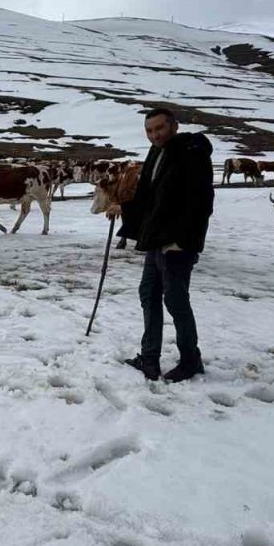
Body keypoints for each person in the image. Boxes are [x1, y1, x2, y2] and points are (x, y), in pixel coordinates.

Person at [105, 107, 214, 382]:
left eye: (159, 128)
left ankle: (191, 359)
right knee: (148, 294)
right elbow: (151, 198)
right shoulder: (157, 153)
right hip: (156, 238)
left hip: (177, 243)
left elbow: (200, 202)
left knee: (176, 300)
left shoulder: (191, 153)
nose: (155, 135)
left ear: (174, 126)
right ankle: (149, 357)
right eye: (149, 130)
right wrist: (125, 209)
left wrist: (182, 241)